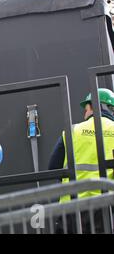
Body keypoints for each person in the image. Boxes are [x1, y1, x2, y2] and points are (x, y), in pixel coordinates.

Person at [49, 88, 114, 233]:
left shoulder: (73, 130)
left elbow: (53, 167)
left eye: (86, 109)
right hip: (105, 207)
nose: (85, 114)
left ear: (93, 106)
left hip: (72, 206)